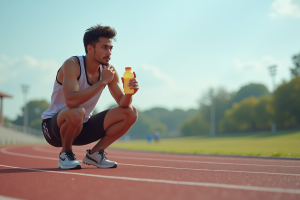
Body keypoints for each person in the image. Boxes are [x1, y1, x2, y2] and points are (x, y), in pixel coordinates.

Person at [41, 25, 139, 170]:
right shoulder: (72, 64)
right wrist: (102, 82)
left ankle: (95, 154)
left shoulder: (109, 70)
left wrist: (129, 93)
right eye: (104, 47)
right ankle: (65, 154)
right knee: (77, 111)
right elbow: (71, 100)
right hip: (54, 128)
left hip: (82, 127)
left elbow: (123, 103)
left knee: (130, 112)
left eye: (110, 48)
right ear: (90, 48)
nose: (109, 52)